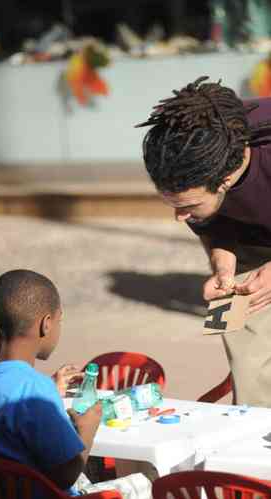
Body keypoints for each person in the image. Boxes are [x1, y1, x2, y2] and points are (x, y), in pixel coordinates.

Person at [0, 269, 152, 499]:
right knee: (147, 482)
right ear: (46, 324)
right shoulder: (36, 390)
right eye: (59, 320)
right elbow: (66, 475)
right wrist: (87, 431)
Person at [138, 76, 271, 407]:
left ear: (224, 181)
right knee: (245, 359)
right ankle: (252, 444)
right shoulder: (194, 154)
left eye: (188, 207)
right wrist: (222, 265)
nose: (179, 217)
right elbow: (211, 221)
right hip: (254, 241)